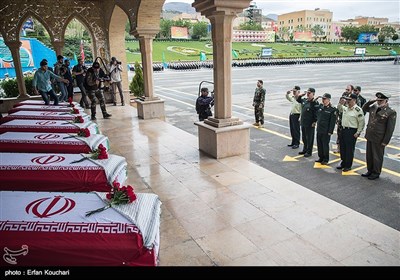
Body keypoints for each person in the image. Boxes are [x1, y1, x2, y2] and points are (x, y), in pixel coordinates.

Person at [361, 92, 397, 180]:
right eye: (378, 100)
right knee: (369, 155)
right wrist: (370, 101)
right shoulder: (374, 107)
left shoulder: (390, 112)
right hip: (370, 135)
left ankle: (376, 172)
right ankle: (369, 170)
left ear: (386, 101)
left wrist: (385, 141)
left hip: (379, 138)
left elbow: (390, 129)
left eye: (381, 101)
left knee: (377, 156)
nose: (379, 102)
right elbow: (364, 108)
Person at [336, 93, 365, 172]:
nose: (348, 101)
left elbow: (361, 122)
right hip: (344, 130)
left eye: (349, 100)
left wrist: (358, 132)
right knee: (343, 148)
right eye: (347, 100)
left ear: (354, 100)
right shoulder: (346, 108)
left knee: (349, 149)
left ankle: (348, 165)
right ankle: (343, 162)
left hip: (351, 131)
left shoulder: (358, 110)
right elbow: (339, 108)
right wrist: (340, 103)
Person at [296, 87, 319, 157]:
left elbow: (316, 113)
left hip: (310, 123)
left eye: (309, 93)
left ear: (313, 94)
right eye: (307, 93)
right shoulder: (305, 100)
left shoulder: (315, 102)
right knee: (304, 137)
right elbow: (298, 100)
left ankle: (309, 151)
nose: (308, 94)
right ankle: (305, 149)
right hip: (303, 122)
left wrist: (315, 121)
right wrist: (301, 95)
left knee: (309, 138)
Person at [315, 93, 337, 165]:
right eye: (322, 99)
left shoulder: (332, 109)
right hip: (319, 129)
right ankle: (320, 157)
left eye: (324, 99)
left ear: (328, 99)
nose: (323, 100)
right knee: (319, 144)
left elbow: (332, 122)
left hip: (326, 130)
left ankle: (325, 159)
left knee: (325, 145)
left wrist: (330, 131)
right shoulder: (321, 106)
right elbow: (315, 110)